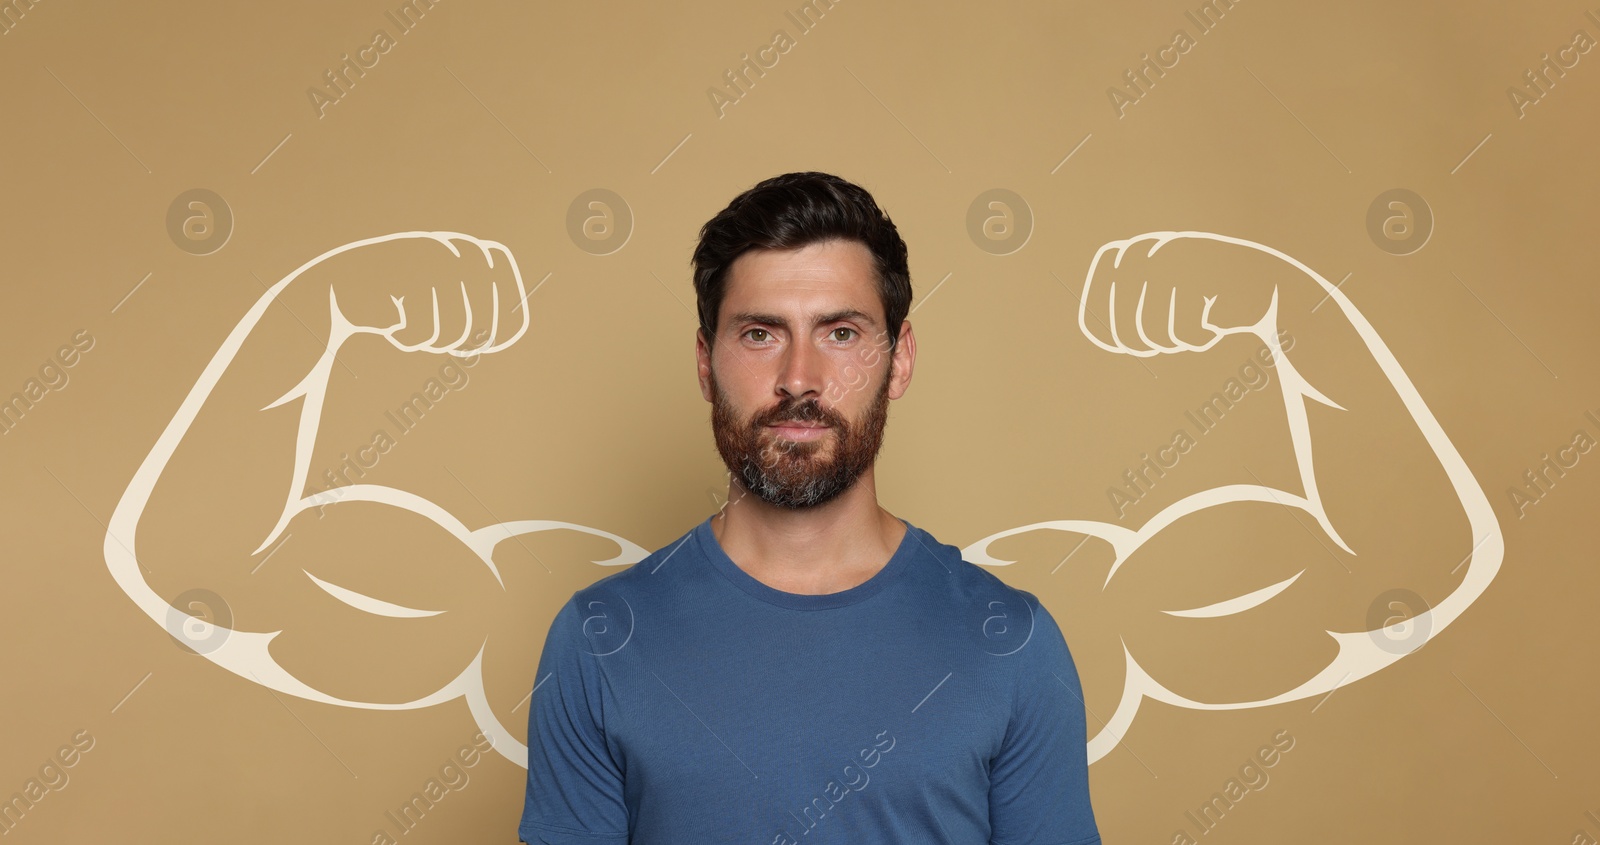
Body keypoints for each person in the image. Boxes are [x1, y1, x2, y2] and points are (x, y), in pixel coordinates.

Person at [517, 171, 1100, 844]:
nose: (800, 377)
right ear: (706, 363)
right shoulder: (598, 639)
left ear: (899, 360)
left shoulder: (1012, 643)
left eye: (841, 333)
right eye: (761, 333)